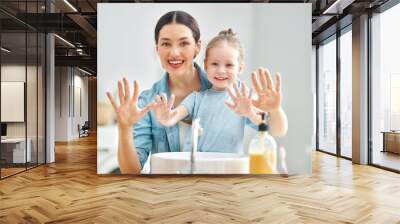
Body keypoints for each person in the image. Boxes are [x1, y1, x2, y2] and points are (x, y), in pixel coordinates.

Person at [106, 11, 287, 174]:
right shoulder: (147, 101)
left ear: (197, 47)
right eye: (166, 44)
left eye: (184, 43)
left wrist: (275, 110)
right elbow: (131, 170)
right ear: (157, 49)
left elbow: (274, 130)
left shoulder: (236, 94)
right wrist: (124, 127)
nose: (174, 52)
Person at [152, 29, 287, 154]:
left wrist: (274, 110)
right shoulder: (197, 98)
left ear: (240, 68)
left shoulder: (244, 99)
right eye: (215, 64)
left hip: (228, 171)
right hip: (195, 169)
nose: (221, 70)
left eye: (229, 65)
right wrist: (166, 118)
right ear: (205, 65)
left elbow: (278, 131)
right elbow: (174, 117)